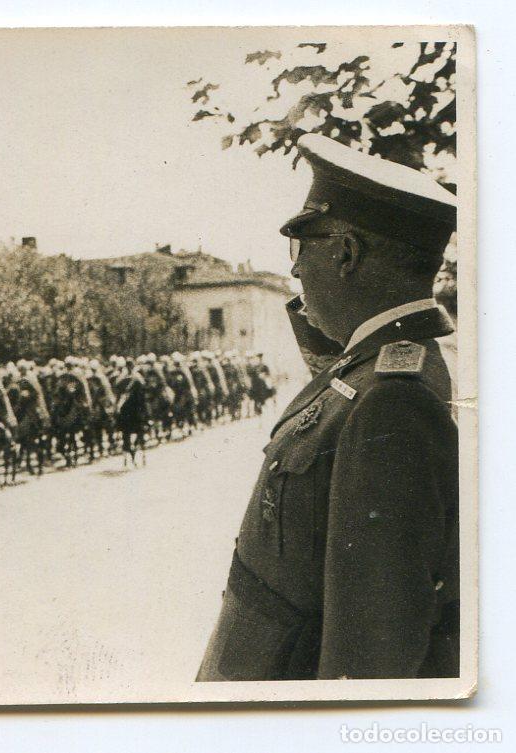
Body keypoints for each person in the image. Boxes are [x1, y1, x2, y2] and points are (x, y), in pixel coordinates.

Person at [197, 133, 459, 681]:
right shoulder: (374, 368)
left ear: (344, 253)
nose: (294, 272)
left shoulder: (392, 401)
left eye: (300, 248)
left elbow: (370, 649)